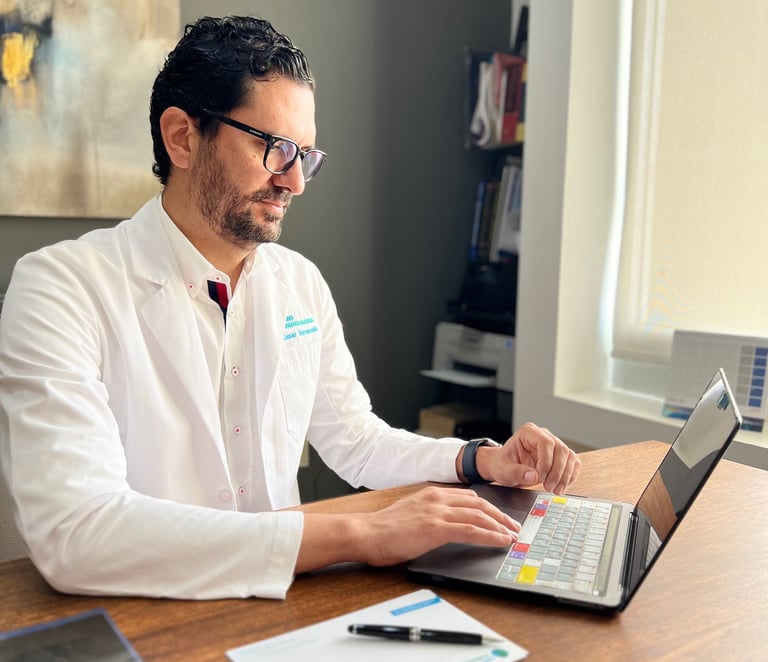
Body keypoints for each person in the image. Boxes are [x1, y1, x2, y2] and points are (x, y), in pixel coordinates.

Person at [0, 15, 580, 599]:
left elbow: (357, 439)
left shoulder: (299, 282)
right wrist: (360, 534)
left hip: (285, 606)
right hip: (147, 615)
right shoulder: (61, 288)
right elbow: (77, 533)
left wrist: (479, 461)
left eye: (304, 154)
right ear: (182, 138)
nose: (295, 182)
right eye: (274, 148)